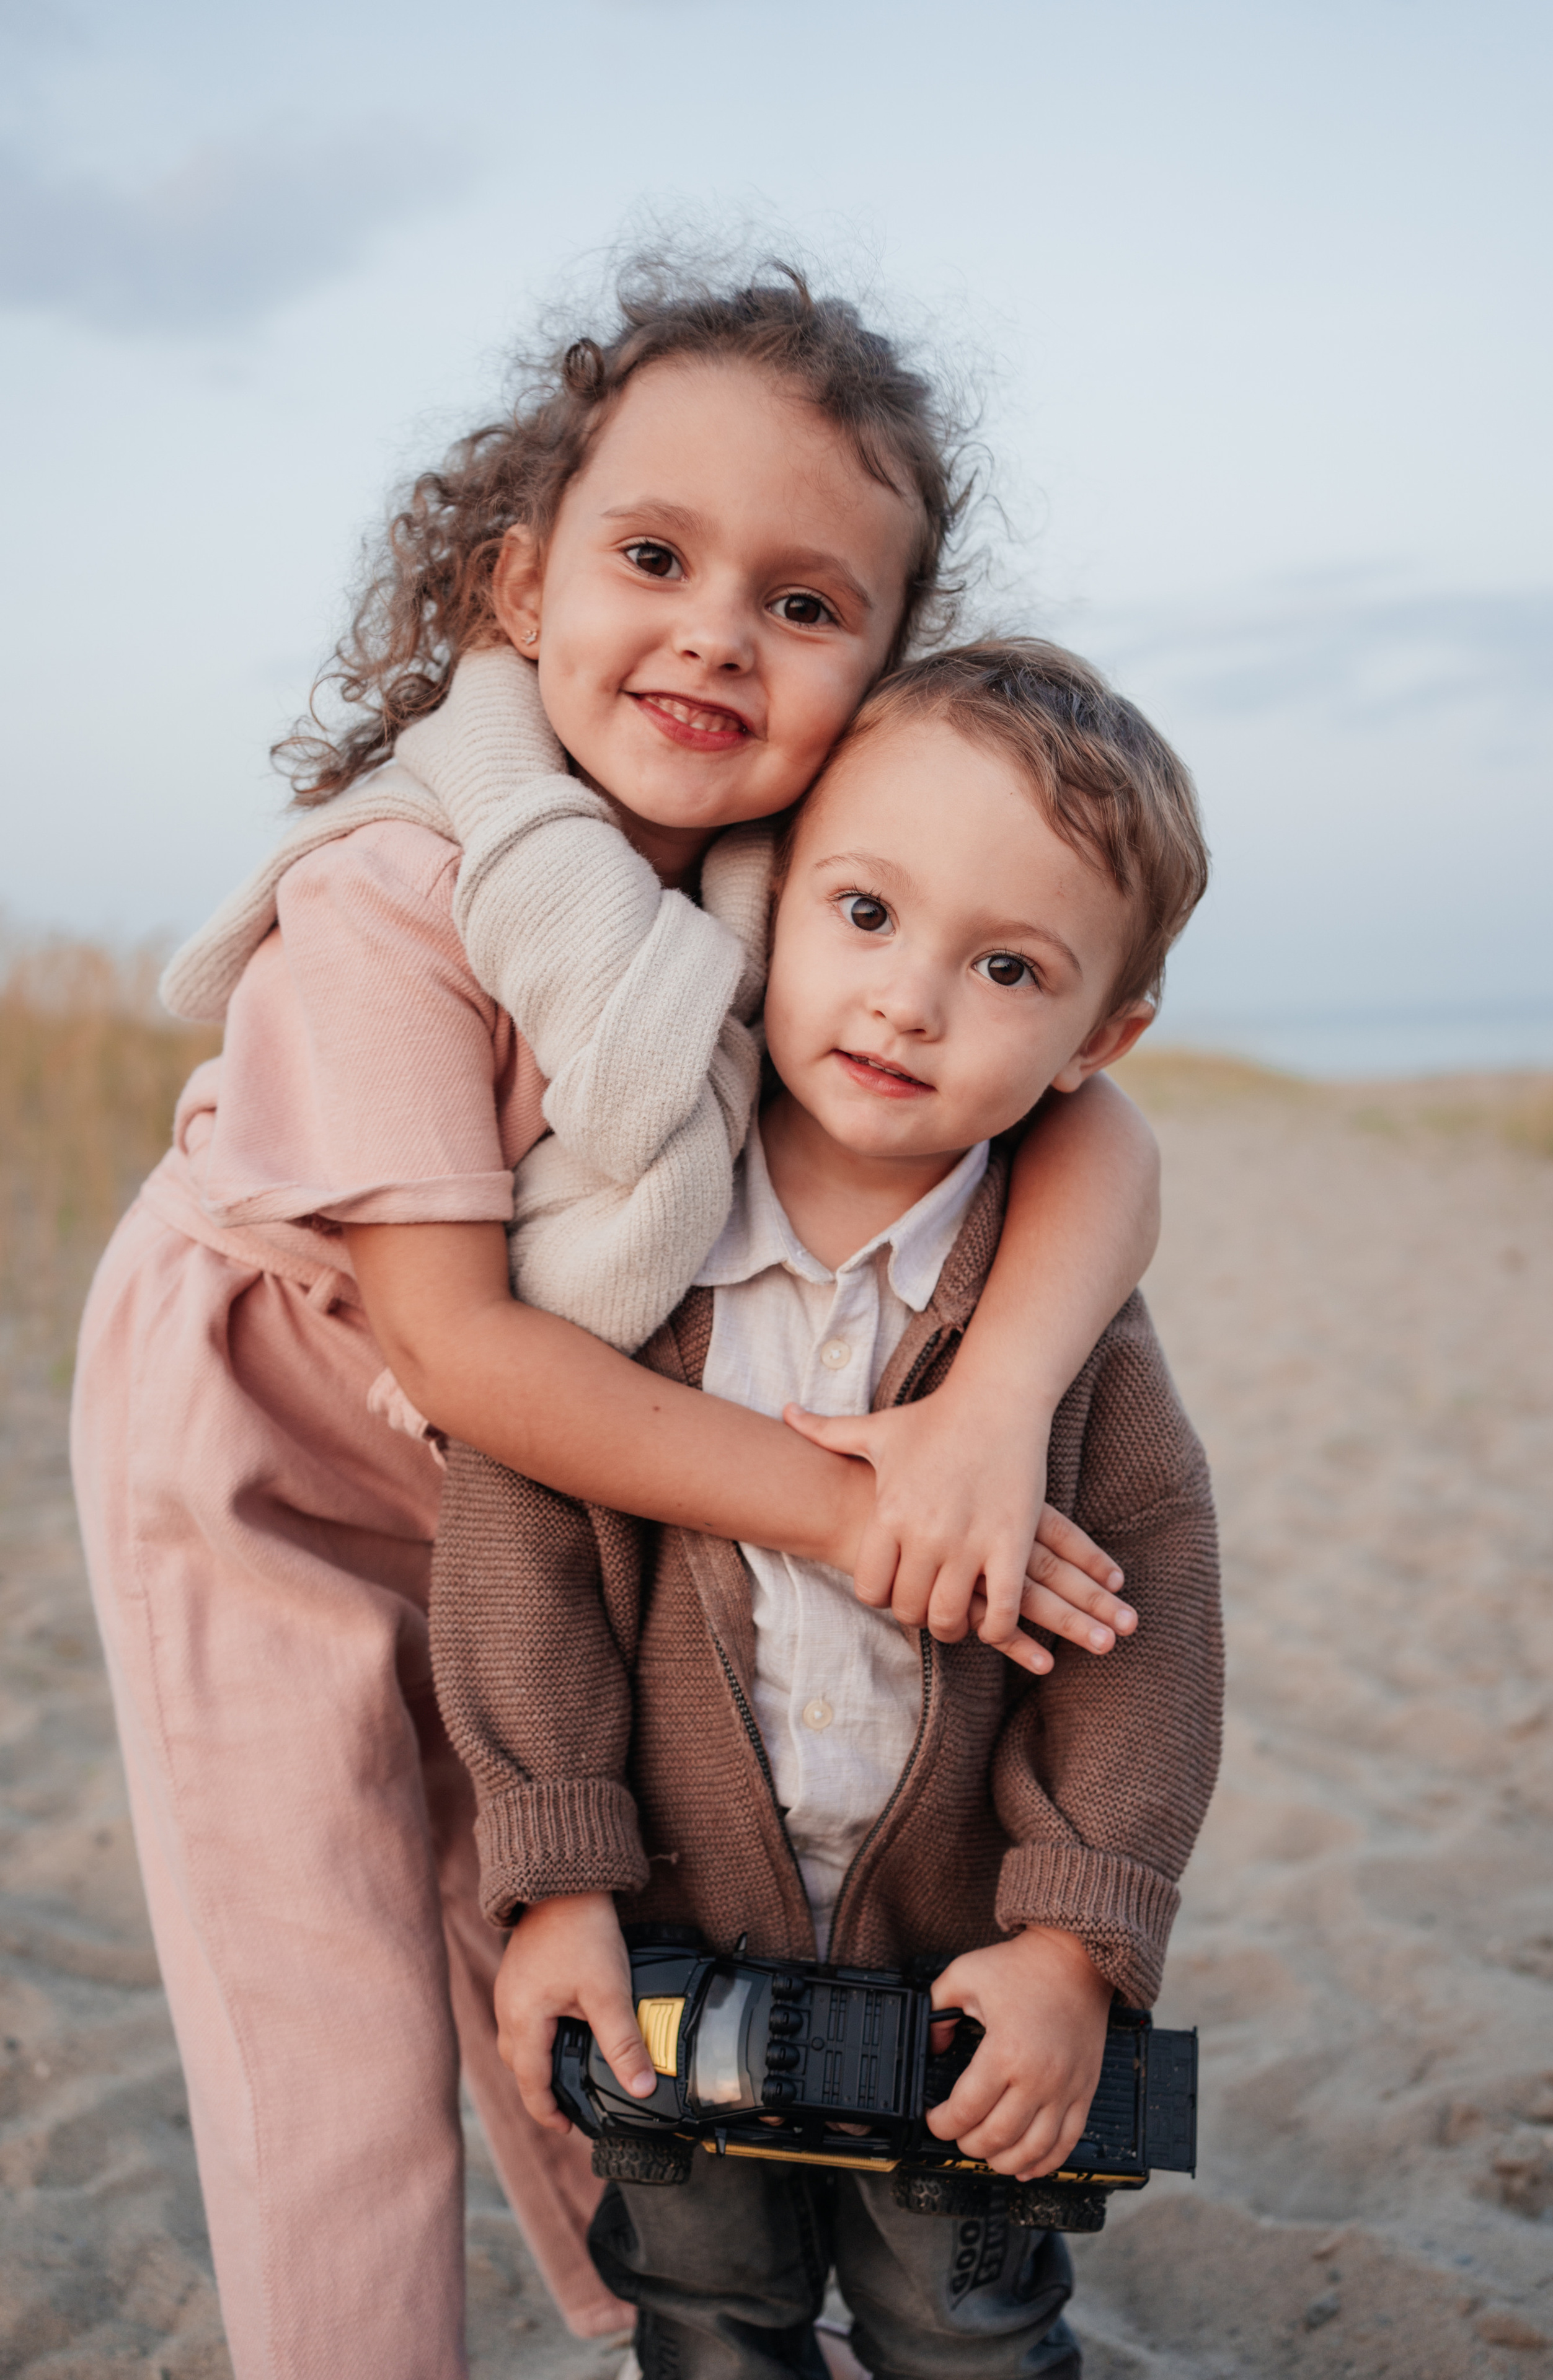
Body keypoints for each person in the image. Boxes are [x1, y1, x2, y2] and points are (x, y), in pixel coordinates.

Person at [69, 256, 1161, 2380]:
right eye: (654, 555)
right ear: (516, 584)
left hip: (528, 1491)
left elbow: (1103, 1137)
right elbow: (468, 1353)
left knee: (571, 1888)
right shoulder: (389, 903)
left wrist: (994, 1401)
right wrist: (850, 1514)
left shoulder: (806, 902)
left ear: (878, 672)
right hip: (261, 1451)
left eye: (806, 602)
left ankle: (648, 2308)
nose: (715, 634)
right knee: (319, 1989)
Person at [432, 640, 1224, 2380]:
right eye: (866, 916)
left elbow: (1139, 1637)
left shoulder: (1065, 1328)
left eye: (1006, 966)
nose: (909, 1001)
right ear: (775, 902)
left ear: (1105, 1034)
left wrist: (1077, 1943)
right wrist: (558, 1869)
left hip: (960, 1970)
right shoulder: (643, 1261)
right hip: (675, 1944)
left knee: (969, 2328)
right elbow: (520, 1555)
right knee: (707, 2312)